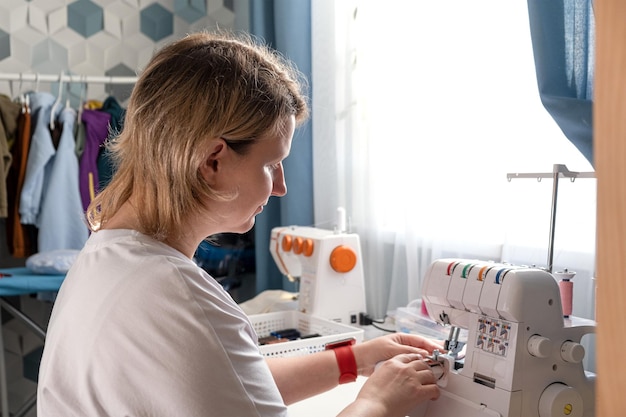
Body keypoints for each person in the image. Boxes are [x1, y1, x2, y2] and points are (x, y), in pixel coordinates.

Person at [37, 30, 443, 417]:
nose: (281, 187)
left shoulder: (107, 256)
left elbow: (230, 384)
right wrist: (378, 403)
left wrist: (355, 358)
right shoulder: (176, 295)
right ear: (214, 160)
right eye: (271, 164)